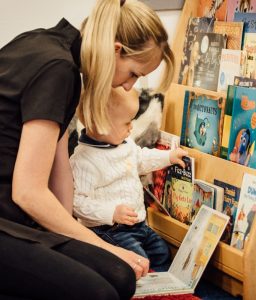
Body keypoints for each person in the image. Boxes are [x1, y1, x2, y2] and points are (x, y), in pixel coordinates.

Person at [0, 0, 175, 299]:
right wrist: (104, 246)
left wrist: (80, 242)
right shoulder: (58, 69)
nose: (130, 86)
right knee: (101, 292)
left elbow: (59, 167)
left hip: (14, 215)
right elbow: (28, 192)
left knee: (120, 275)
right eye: (134, 73)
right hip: (8, 218)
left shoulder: (53, 47)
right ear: (117, 50)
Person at [70, 87, 187, 272]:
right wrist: (111, 213)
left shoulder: (126, 144)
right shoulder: (84, 160)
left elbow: (141, 159)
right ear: (102, 124)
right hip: (108, 230)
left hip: (139, 225)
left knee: (162, 252)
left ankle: (161, 287)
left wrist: (168, 157)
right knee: (137, 261)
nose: (131, 127)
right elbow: (77, 202)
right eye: (127, 122)